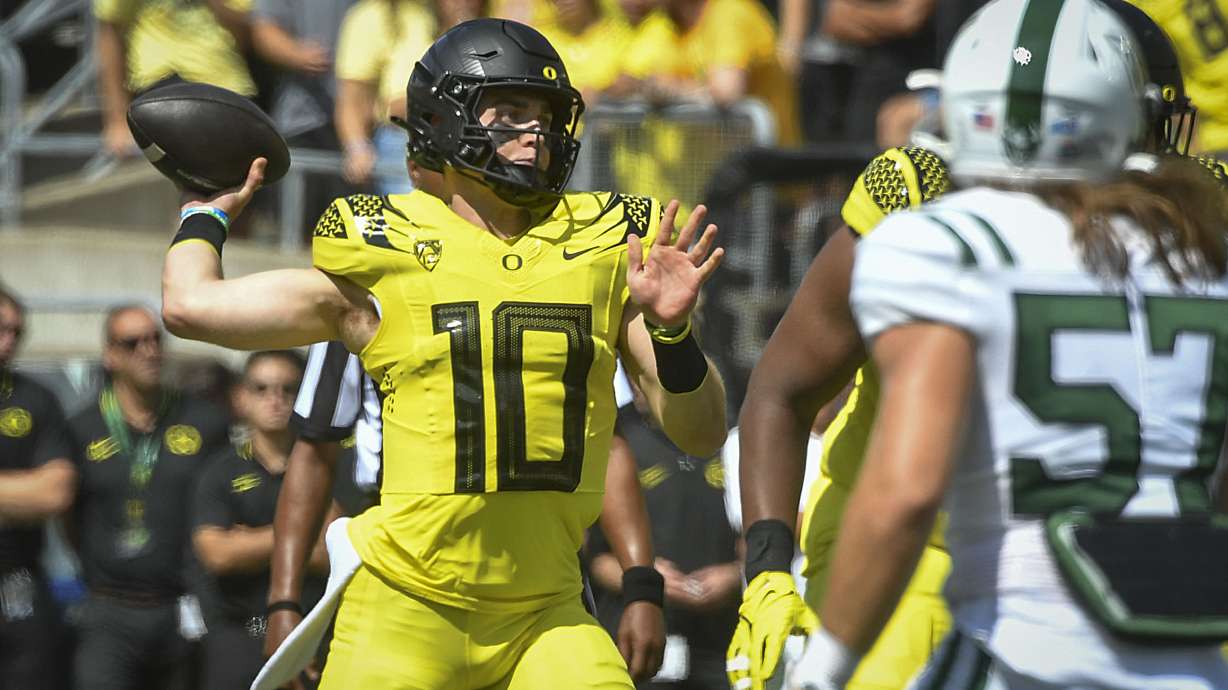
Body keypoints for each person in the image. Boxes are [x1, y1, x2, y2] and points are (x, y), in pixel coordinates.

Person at [160, 18, 727, 689]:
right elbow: (190, 306)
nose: (534, 133)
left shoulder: (605, 254)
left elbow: (702, 429)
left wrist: (672, 332)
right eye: (509, 111)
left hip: (546, 609)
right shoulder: (384, 256)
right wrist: (207, 210)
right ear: (445, 122)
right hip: (405, 602)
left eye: (544, 114)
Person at [727, 0, 1228, 688]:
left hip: (1016, 601)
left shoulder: (943, 243)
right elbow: (785, 394)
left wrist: (822, 669)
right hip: (989, 570)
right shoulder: (1200, 249)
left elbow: (904, 483)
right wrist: (768, 574)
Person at [266, 340, 667, 682]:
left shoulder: (577, 272)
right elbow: (316, 447)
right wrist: (283, 601)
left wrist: (642, 586)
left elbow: (608, 444)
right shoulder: (373, 273)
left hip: (541, 574)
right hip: (401, 572)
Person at [66, 305, 231, 690]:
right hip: (108, 608)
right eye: (133, 342)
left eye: (156, 339)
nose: (149, 350)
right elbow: (69, 517)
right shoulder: (81, 426)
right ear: (110, 355)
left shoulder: (204, 421)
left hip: (180, 604)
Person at [589, 375, 741, 689]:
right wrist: (644, 578)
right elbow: (592, 556)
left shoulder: (726, 429)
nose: (642, 383)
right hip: (638, 636)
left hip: (721, 640)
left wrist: (735, 574)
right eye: (634, 375)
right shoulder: (613, 434)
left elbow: (754, 528)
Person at [191, 350, 331, 690]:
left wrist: (248, 540)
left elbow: (330, 553)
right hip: (239, 634)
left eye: (288, 389)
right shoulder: (219, 470)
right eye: (262, 389)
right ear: (241, 397)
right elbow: (217, 554)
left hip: (312, 636)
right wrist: (301, 536)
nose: (276, 400)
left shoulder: (327, 466)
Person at [0, 285, 77, 690]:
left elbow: (54, 492)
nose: (9, 342)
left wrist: (32, 493)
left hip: (20, 582)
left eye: (17, 331)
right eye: (1, 329)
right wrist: (18, 492)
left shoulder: (37, 399)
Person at [94, 0, 256, 158]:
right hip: (164, 80)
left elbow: (246, 32)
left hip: (229, 83)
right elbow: (110, 30)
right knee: (202, 168)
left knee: (249, 172)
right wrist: (116, 119)